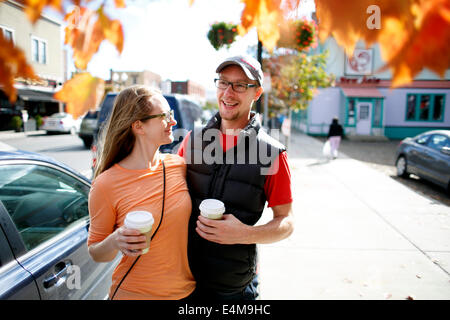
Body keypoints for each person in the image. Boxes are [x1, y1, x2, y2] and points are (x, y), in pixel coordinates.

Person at [177, 55, 294, 300]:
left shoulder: (271, 153)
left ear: (257, 93)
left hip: (233, 288)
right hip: (181, 279)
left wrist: (244, 234)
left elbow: (286, 222)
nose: (229, 93)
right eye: (223, 83)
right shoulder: (193, 139)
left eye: (240, 85)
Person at [87, 85, 195, 300]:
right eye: (165, 116)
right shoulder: (105, 184)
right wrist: (115, 240)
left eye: (171, 115)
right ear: (139, 126)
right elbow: (96, 253)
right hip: (134, 294)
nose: (173, 122)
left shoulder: (179, 166)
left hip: (186, 293)